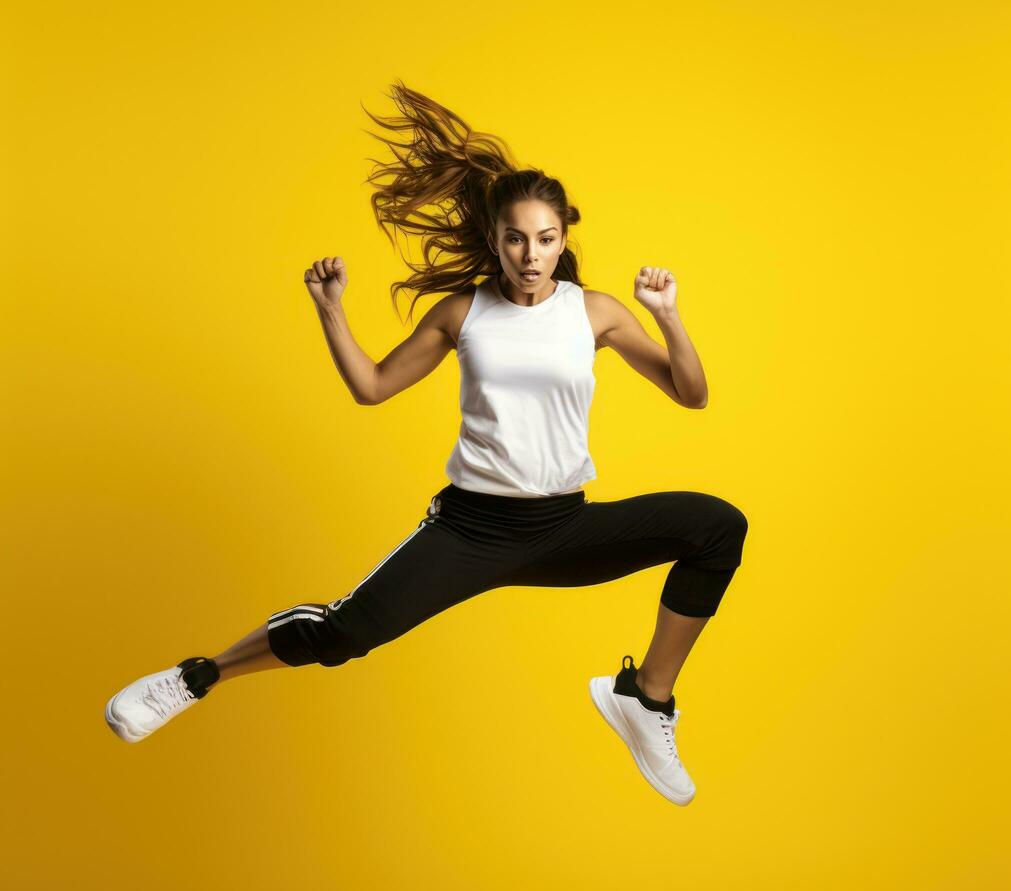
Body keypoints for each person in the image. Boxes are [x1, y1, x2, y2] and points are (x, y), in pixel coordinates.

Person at [104, 81, 748, 806]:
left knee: (715, 526)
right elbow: (373, 387)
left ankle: (644, 698)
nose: (530, 256)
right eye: (514, 239)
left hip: (563, 525)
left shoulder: (594, 313)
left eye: (545, 239)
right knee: (342, 636)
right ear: (494, 239)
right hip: (473, 530)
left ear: (564, 235)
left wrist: (667, 315)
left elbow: (690, 393)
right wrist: (330, 313)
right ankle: (196, 677)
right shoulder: (463, 312)